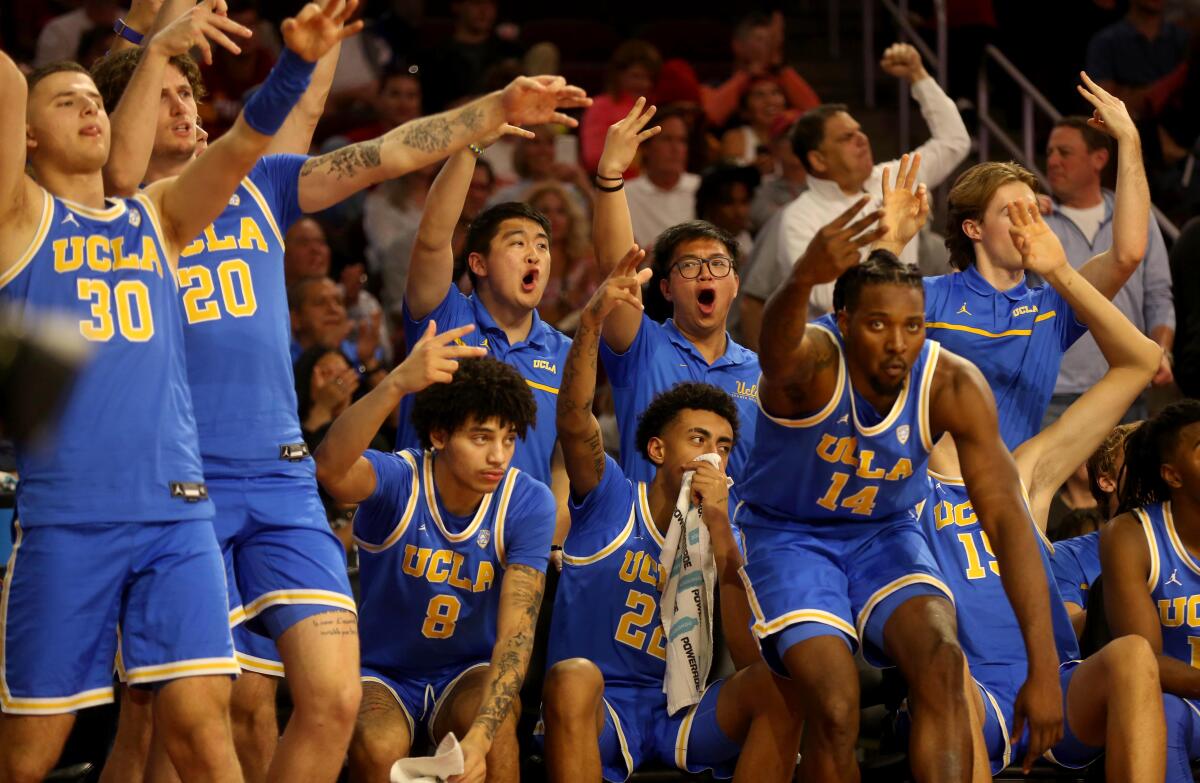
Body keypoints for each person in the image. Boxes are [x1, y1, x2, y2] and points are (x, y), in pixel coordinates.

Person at [93, 9, 594, 776]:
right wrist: (145, 31)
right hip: (181, 486)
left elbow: (385, 151)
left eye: (190, 96)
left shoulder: (263, 184)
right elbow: (101, 132)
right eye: (165, 96)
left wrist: (493, 109)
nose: (186, 108)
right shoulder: (114, 215)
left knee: (327, 703)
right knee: (177, 717)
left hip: (284, 479)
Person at [0, 0, 356, 778]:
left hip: (179, 517)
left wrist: (293, 66)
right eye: (71, 102)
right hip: (71, 520)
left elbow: (240, 147)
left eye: (98, 102)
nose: (92, 111)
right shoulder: (18, 219)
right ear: (25, 134)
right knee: (28, 755)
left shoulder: (158, 215)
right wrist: (147, 43)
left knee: (200, 729)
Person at [736, 194, 1064, 780]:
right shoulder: (812, 363)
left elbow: (1009, 524)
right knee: (835, 706)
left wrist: (1044, 669)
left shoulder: (952, 385)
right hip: (790, 537)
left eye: (912, 325)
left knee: (942, 660)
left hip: (887, 534)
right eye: (878, 324)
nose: (897, 343)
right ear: (842, 322)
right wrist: (804, 276)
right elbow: (775, 352)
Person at [918, 194, 1166, 777]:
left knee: (1131, 655)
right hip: (966, 692)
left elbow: (1140, 361)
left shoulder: (1024, 470)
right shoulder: (900, 482)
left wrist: (1058, 273)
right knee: (947, 672)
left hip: (1056, 687)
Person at [541, 246, 802, 782]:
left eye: (724, 445)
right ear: (657, 450)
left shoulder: (724, 526)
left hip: (679, 713)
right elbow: (573, 419)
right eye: (698, 438)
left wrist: (724, 534)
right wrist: (590, 325)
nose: (712, 453)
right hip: (601, 709)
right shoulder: (610, 494)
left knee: (785, 683)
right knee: (572, 677)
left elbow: (749, 657)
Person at [314, 330, 555, 783]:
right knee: (378, 742)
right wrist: (396, 384)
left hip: (465, 671)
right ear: (440, 435)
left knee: (498, 723)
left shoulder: (527, 501)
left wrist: (480, 743)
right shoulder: (399, 479)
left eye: (508, 439)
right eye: (482, 438)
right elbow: (329, 468)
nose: (498, 455)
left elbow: (516, 637)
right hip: (381, 671)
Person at [924, 74, 1152, 451]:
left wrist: (1129, 140)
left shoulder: (1052, 305)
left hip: (1021, 490)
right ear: (974, 228)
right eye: (1013, 212)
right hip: (933, 494)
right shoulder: (929, 297)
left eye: (1035, 211)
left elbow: (1127, 255)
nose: (1030, 224)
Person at [398, 102, 589, 491]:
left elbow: (562, 463)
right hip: (428, 534)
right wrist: (469, 148)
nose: (534, 254)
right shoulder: (443, 317)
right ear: (478, 264)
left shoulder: (567, 351)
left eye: (542, 245)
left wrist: (546, 543)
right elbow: (433, 240)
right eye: (517, 243)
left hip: (517, 541)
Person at [737, 41, 970, 346]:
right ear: (818, 159)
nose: (861, 139)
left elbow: (954, 141)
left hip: (908, 342)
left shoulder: (895, 179)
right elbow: (830, 298)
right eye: (846, 137)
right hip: (838, 353)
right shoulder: (798, 218)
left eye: (860, 131)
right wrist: (888, 241)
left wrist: (919, 77)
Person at [591, 99, 762, 492]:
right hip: (648, 549)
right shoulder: (641, 348)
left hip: (731, 547)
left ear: (735, 284)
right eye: (689, 266)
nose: (705, 272)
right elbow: (615, 273)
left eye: (718, 265)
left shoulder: (759, 373)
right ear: (665, 288)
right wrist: (611, 175)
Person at [1042, 114, 1173, 426]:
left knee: (1127, 476)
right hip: (1055, 390)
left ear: (1099, 158)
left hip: (1124, 384)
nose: (1053, 161)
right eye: (1049, 153)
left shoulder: (1138, 217)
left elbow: (1158, 294)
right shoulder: (1037, 223)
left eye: (1065, 152)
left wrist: (1162, 351)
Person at [1101, 398, 1200, 782]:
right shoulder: (1132, 535)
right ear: (1173, 476)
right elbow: (1145, 660)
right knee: (1162, 709)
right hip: (1184, 703)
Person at [1085, 0, 1189, 119]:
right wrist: (1172, 83)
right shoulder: (1106, 41)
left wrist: (1130, 93)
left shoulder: (1183, 40)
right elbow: (1106, 106)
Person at [578, 39, 661, 174]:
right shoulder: (600, 106)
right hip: (612, 184)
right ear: (618, 75)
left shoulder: (655, 108)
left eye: (649, 78)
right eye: (636, 76)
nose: (644, 84)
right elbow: (592, 158)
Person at [527, 181, 599, 331]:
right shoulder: (518, 261)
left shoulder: (587, 259)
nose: (553, 218)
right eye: (545, 210)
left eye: (561, 211)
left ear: (571, 218)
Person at [623, 106, 697, 248]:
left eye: (682, 141)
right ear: (645, 148)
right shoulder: (624, 194)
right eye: (667, 139)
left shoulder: (701, 188)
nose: (675, 149)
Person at [720, 77, 788, 173]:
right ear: (745, 111)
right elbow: (728, 177)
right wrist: (752, 170)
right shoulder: (735, 138)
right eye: (759, 95)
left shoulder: (794, 137)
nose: (770, 101)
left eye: (775, 93)